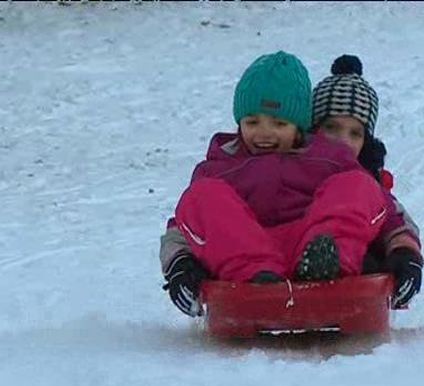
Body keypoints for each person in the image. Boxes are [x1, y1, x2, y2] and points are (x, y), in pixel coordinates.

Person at [160, 51, 421, 318]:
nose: (264, 133)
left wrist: (405, 252)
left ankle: (329, 262)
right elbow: (185, 226)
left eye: (279, 123)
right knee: (201, 196)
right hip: (244, 255)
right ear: (238, 122)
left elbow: (384, 210)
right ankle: (259, 277)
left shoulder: (329, 158)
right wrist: (180, 263)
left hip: (314, 247)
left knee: (359, 184)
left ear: (300, 127)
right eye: (252, 122)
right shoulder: (220, 165)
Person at [312, 54, 422, 308]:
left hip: (352, 265)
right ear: (312, 129)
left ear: (365, 142)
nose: (343, 140)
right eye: (332, 127)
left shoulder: (365, 181)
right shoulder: (295, 169)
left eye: (355, 133)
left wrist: (405, 254)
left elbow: (395, 221)